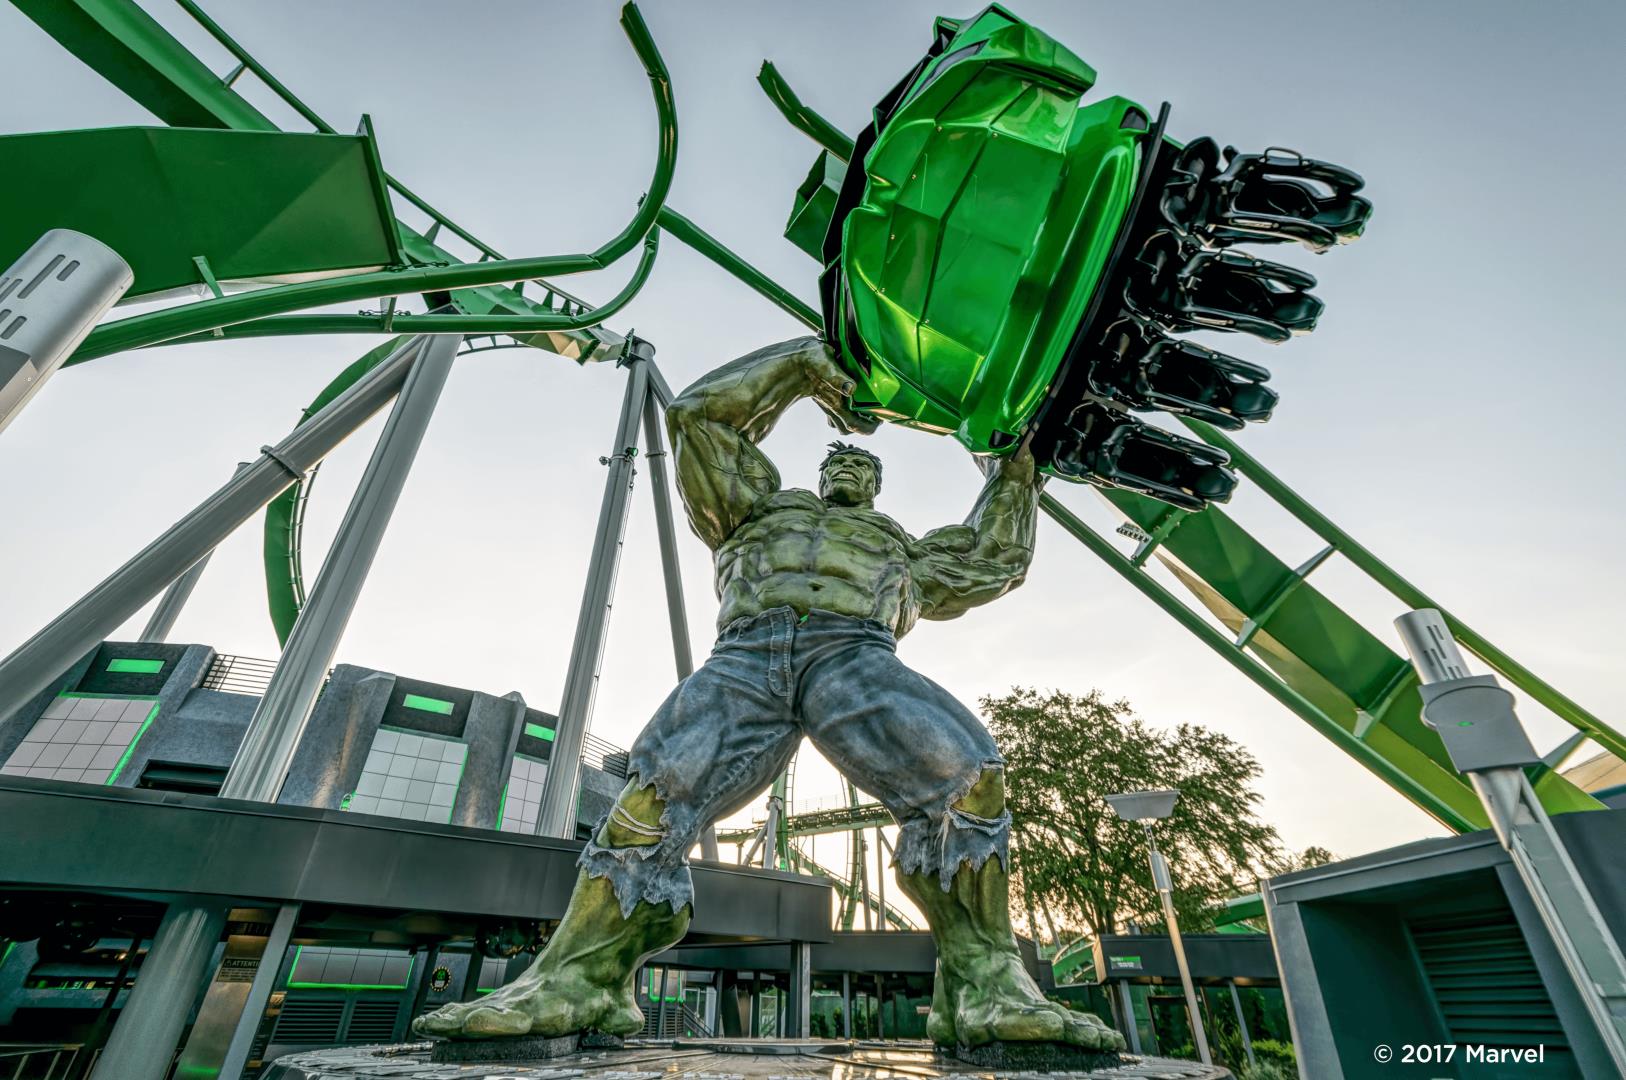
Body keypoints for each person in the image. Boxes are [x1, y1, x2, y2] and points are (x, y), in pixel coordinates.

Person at [415, 337, 1123, 1051]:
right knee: (651, 798)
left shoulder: (901, 548)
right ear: (819, 471)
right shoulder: (756, 511)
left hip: (854, 654)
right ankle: (577, 978)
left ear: (876, 482)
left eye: (860, 461)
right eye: (837, 457)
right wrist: (806, 366)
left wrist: (1019, 461)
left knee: (969, 775)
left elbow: (995, 556)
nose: (848, 463)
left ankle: (983, 980)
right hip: (746, 652)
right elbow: (696, 419)